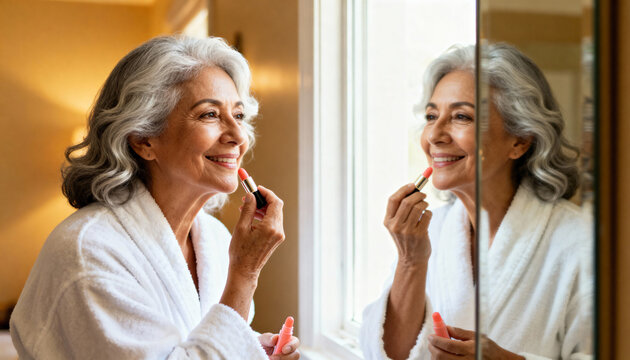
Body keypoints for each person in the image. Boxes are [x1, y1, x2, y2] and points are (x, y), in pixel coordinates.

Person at [10, 36, 300, 360]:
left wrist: (251, 349)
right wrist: (245, 275)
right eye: (209, 115)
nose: (238, 136)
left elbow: (191, 346)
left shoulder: (215, 241)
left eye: (239, 116)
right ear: (143, 139)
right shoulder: (89, 253)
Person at [360, 44, 592, 360]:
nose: (434, 135)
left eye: (461, 116)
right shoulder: (433, 231)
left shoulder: (581, 241)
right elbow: (390, 354)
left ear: (520, 141)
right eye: (431, 115)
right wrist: (411, 260)